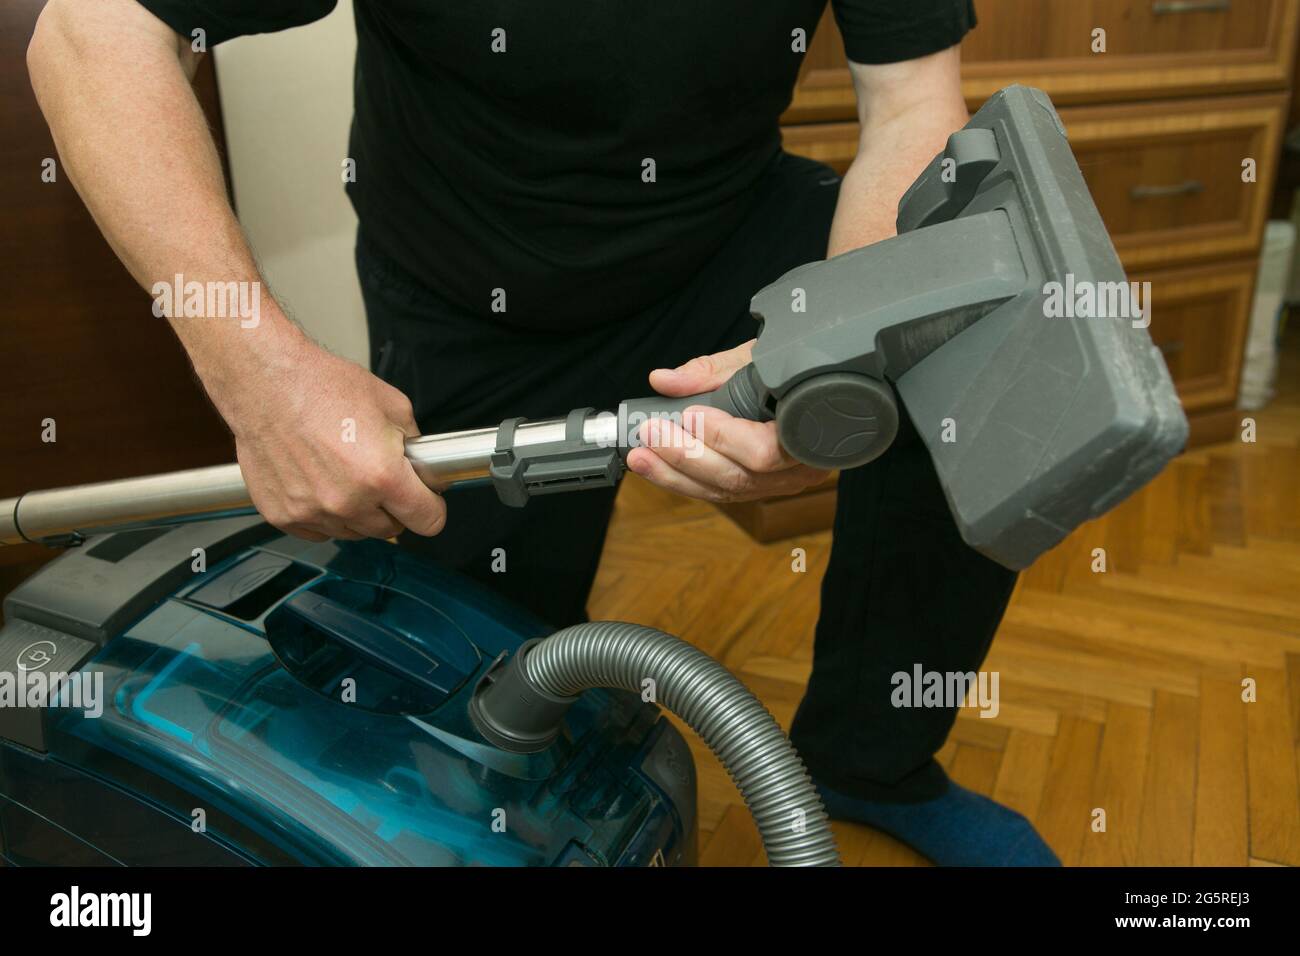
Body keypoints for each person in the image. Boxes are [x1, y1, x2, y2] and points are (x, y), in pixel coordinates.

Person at [28, 0, 1058, 866]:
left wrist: (834, 350)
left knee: (958, 356)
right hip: (470, 282)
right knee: (470, 706)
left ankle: (868, 757)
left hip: (718, 233)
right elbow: (90, 31)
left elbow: (911, 98)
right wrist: (257, 372)